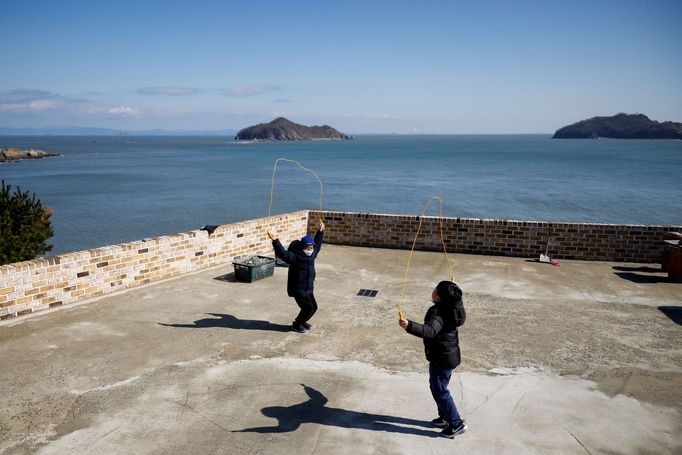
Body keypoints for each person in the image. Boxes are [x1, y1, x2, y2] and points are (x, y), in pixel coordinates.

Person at [399, 280, 467, 439]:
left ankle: (456, 424)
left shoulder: (437, 311)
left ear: (438, 297)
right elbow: (452, 298)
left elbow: (429, 330)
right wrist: (452, 289)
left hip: (440, 358)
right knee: (439, 387)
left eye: (435, 290)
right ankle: (445, 417)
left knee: (440, 391)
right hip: (448, 355)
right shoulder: (454, 307)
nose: (433, 291)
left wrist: (408, 325)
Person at [267, 220, 324, 333]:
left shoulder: (312, 254)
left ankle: (301, 321)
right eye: (307, 247)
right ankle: (297, 325)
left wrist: (320, 231)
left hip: (308, 288)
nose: (310, 250)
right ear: (303, 247)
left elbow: (318, 244)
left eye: (311, 247)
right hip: (298, 289)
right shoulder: (295, 257)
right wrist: (275, 241)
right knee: (308, 308)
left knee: (314, 307)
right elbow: (283, 254)